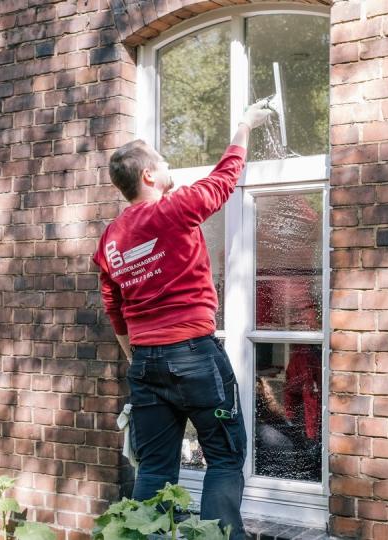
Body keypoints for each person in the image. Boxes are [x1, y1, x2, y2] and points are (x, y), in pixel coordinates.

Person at [92, 100, 273, 539]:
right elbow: (225, 178)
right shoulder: (171, 210)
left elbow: (114, 309)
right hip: (194, 355)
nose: (170, 166)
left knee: (154, 468)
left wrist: (139, 355)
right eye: (163, 161)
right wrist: (244, 125)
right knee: (225, 455)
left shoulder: (110, 240)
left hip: (146, 363)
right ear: (148, 175)